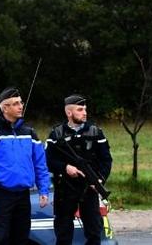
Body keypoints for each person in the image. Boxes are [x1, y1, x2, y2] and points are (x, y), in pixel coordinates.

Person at [0, 87, 50, 245]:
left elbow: (40, 164)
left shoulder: (29, 133)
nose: (20, 106)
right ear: (4, 108)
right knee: (0, 239)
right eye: (15, 103)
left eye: (21, 102)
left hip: (23, 195)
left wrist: (44, 189)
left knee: (21, 239)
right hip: (1, 196)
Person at [46, 94, 112, 245]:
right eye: (80, 109)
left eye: (85, 109)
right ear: (69, 113)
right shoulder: (56, 134)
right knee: (63, 233)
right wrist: (65, 167)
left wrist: (100, 179)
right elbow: (47, 160)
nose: (85, 113)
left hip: (89, 187)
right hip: (65, 188)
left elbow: (106, 160)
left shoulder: (96, 132)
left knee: (94, 231)